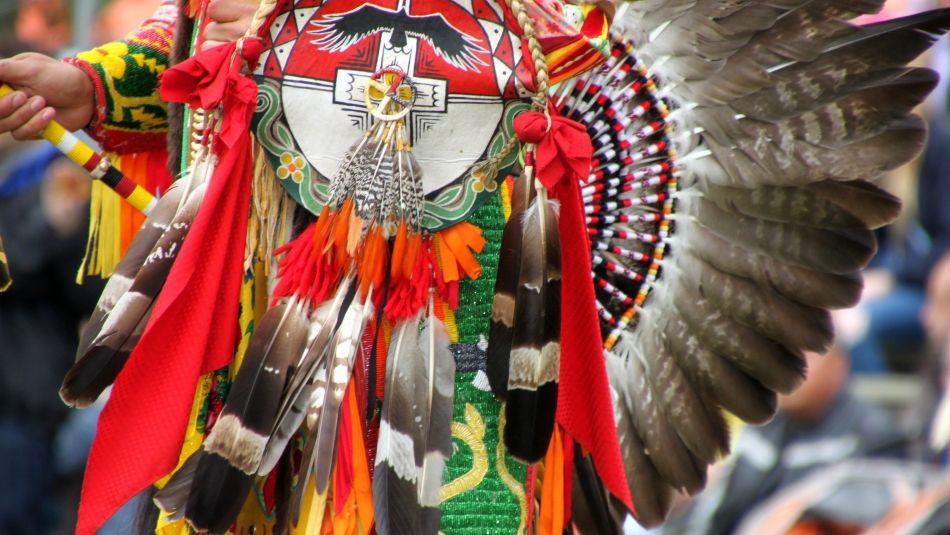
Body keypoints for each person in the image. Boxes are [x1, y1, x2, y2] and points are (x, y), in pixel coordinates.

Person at [0, 3, 947, 535]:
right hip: (260, 405)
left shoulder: (560, 27)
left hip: (475, 407)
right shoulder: (255, 11)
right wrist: (86, 84)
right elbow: (202, 59)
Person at [673, 348, 906, 535]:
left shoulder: (871, 432)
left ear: (838, 366)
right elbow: (719, 509)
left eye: (805, 358)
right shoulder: (764, 423)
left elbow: (864, 514)